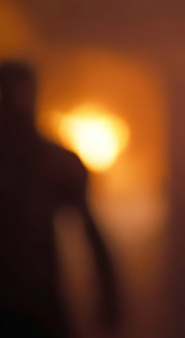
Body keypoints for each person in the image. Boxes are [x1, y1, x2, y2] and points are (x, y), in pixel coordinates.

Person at [0, 61, 120, 337]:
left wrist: (109, 296)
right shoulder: (55, 161)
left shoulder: (55, 163)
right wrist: (109, 296)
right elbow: (90, 230)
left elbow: (88, 228)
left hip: (39, 299)